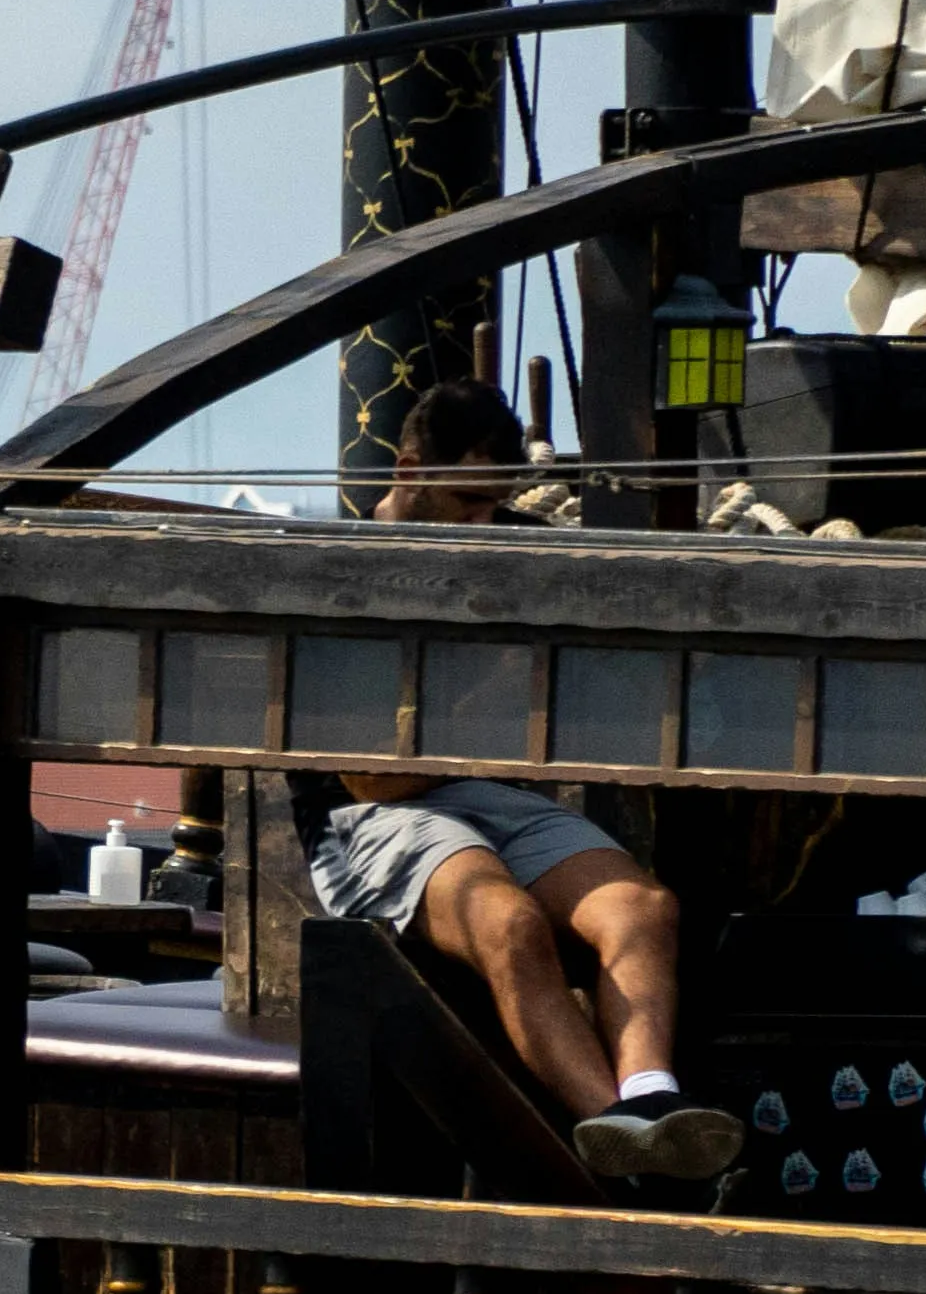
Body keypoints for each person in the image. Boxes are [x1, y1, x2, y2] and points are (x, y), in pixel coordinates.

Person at [306, 378, 745, 1184]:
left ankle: (651, 1096)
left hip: (488, 797)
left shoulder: (518, 547)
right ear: (409, 471)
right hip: (366, 820)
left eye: (496, 501)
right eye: (469, 500)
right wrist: (501, 683)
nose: (486, 521)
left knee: (643, 908)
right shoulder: (339, 570)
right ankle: (616, 1135)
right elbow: (372, 780)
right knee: (509, 925)